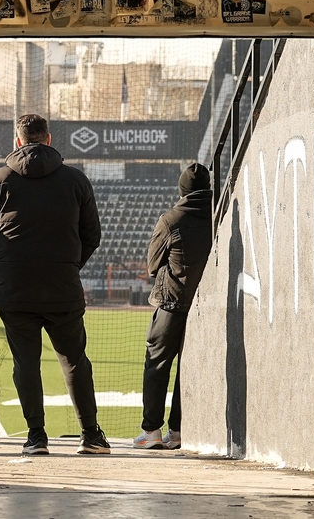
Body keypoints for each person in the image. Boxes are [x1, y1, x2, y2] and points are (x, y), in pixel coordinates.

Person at [0, 113, 108, 456]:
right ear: (48, 139)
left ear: (18, 141)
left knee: (25, 363)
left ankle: (36, 436)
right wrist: (68, 266)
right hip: (62, 285)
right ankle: (91, 435)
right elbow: (91, 235)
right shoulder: (75, 180)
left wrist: (5, 268)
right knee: (75, 360)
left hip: (14, 288)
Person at [133, 162, 214, 450]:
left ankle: (151, 431)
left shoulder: (171, 219)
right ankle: (178, 432)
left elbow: (153, 264)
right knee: (187, 368)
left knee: (157, 364)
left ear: (182, 190)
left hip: (171, 302)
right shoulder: (220, 215)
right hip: (206, 307)